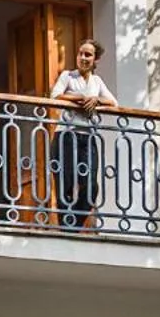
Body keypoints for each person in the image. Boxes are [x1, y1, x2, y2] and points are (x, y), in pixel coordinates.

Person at [49, 40, 116, 230]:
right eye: (81, 53)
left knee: (91, 187)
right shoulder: (68, 76)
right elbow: (55, 96)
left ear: (96, 59)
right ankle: (66, 228)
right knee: (66, 184)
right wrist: (80, 98)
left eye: (88, 55)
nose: (83, 58)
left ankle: (73, 227)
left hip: (87, 138)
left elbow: (113, 103)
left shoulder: (97, 81)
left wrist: (96, 100)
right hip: (66, 136)